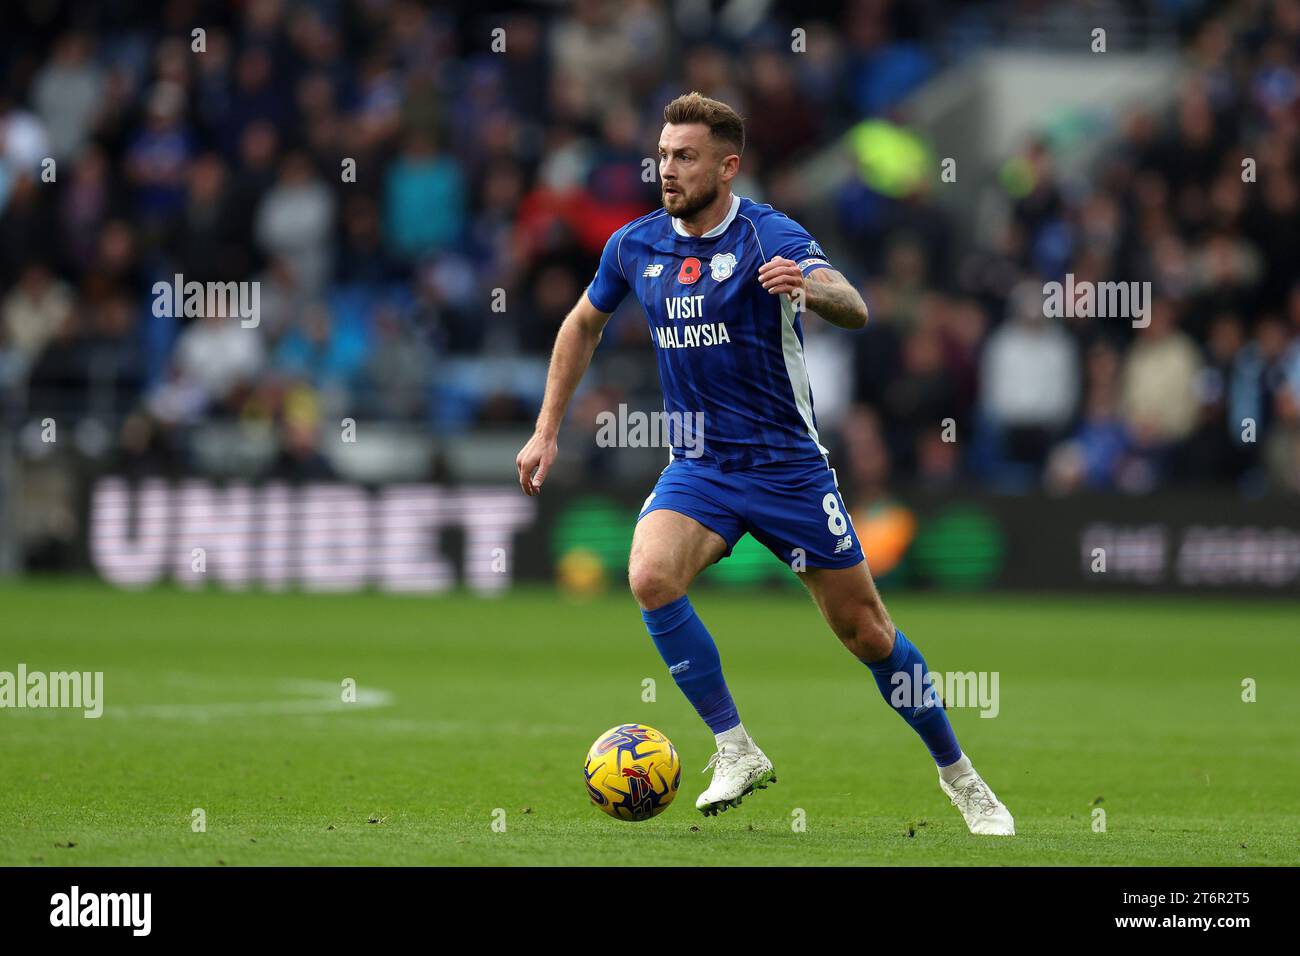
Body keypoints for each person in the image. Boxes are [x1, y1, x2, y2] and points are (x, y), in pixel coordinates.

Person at [515, 92, 1013, 834]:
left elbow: (855, 304)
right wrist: (547, 427)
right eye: (662, 156)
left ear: (727, 164)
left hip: (788, 469)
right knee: (649, 574)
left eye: (685, 157)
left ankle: (962, 777)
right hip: (701, 466)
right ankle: (734, 745)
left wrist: (807, 286)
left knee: (868, 634)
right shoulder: (635, 245)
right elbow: (582, 324)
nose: (668, 170)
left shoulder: (767, 233)